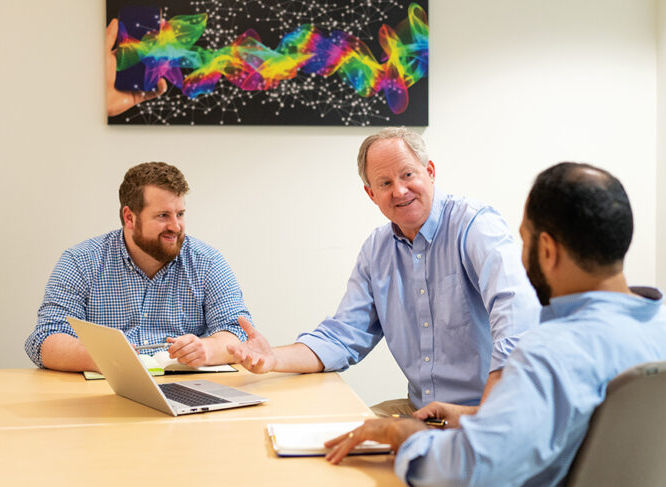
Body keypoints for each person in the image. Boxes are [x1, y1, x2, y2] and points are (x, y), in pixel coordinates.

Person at [323, 162, 666, 487]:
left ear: (546, 250)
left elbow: (463, 479)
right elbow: (581, 423)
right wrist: (477, 416)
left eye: (524, 240)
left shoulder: (550, 352)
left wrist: (403, 436)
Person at [228, 127, 541, 414]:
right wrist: (273, 359)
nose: (400, 191)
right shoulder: (376, 251)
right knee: (329, 438)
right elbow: (343, 336)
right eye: (385, 183)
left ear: (429, 172)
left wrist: (492, 413)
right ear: (371, 194)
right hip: (422, 412)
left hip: (485, 409)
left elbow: (517, 313)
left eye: (408, 175)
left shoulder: (474, 226)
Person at [26, 162, 251, 372]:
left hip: (191, 392)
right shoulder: (81, 262)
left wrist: (207, 349)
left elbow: (239, 331)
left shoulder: (207, 262)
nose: (176, 226)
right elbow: (46, 338)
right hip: (105, 394)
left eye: (180, 214)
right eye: (163, 215)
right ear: (129, 217)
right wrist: (103, 358)